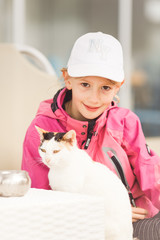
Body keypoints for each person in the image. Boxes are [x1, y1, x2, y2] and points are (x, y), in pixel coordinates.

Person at [22, 32, 160, 240]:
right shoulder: (42, 130)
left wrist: (121, 213)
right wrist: (108, 212)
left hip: (136, 221)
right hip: (78, 224)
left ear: (117, 88)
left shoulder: (125, 121)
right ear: (67, 79)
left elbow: (152, 176)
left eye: (105, 88)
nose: (94, 98)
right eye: (85, 85)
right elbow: (39, 198)